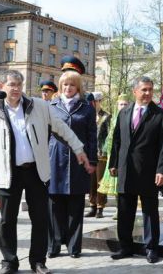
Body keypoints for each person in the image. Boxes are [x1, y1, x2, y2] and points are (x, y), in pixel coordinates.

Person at [0, 70, 92, 274]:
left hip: (36, 172)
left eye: (19, 85)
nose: (15, 89)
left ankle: (38, 262)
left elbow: (62, 128)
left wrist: (78, 148)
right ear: (1, 87)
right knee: (7, 221)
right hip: (9, 173)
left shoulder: (39, 106)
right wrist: (1, 163)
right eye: (11, 85)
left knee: (40, 218)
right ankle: (9, 262)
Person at [109, 76, 163, 264]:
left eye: (150, 90)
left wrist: (162, 170)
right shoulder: (124, 113)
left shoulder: (161, 115)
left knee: (150, 213)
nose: (147, 93)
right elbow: (117, 141)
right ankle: (125, 247)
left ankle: (152, 248)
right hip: (126, 171)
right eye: (144, 90)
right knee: (124, 211)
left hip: (149, 172)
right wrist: (113, 163)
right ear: (134, 91)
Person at [47, 70, 97, 258]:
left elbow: (92, 137)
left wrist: (91, 160)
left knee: (76, 206)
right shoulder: (50, 106)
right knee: (54, 205)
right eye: (65, 85)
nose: (68, 88)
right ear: (60, 87)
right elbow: (43, 136)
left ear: (78, 87)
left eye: (72, 85)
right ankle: (54, 245)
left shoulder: (86, 108)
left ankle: (74, 247)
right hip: (54, 159)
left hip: (78, 161)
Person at [98, 93, 130, 220]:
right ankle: (119, 209)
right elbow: (107, 137)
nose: (123, 106)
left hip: (126, 156)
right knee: (116, 184)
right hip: (113, 155)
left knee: (124, 184)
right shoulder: (112, 119)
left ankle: (124, 209)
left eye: (125, 104)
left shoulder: (130, 117)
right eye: (121, 104)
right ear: (117, 105)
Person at [86, 91, 111, 219]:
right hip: (90, 154)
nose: (92, 104)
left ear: (99, 102)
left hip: (101, 154)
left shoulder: (106, 116)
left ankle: (100, 207)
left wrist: (106, 150)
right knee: (91, 182)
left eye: (95, 102)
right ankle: (92, 206)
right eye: (91, 102)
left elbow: (108, 136)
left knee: (100, 181)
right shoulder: (88, 115)